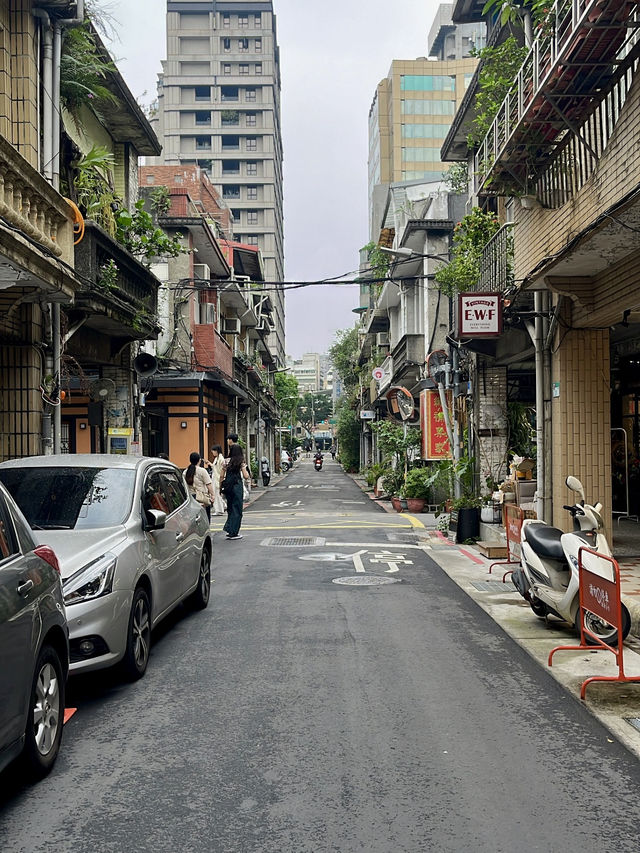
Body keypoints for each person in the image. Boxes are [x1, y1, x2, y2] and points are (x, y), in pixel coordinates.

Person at [221, 443, 250, 540]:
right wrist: (245, 468)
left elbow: (221, 476)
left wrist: (220, 486)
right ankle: (234, 532)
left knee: (230, 508)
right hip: (237, 487)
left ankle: (229, 529)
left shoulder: (226, 461)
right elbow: (246, 476)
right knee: (237, 509)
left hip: (228, 487)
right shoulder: (240, 462)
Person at [184, 451, 215, 521]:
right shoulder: (202, 471)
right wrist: (212, 495)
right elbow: (208, 484)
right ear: (199, 460)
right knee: (206, 518)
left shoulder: (185, 472)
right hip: (202, 497)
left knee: (194, 518)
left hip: (191, 498)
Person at [210, 445, 226, 516]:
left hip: (218, 478)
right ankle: (223, 506)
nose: (212, 452)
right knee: (217, 494)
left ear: (217, 451)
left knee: (217, 494)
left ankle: (219, 510)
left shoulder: (221, 459)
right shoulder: (217, 458)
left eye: (213, 451)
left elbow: (220, 469)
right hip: (215, 478)